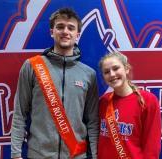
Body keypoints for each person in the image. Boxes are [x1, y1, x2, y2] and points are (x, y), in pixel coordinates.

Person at [11, 8, 99, 159]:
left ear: (77, 35)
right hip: (39, 155)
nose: (65, 31)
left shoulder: (88, 74)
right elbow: (19, 113)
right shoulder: (32, 66)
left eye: (71, 28)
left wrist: (96, 155)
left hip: (76, 155)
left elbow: (93, 121)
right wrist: (15, 154)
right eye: (60, 27)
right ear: (52, 32)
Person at [97, 52, 161, 159]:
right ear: (103, 77)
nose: (112, 74)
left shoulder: (148, 101)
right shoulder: (103, 101)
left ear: (126, 69)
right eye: (107, 72)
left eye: (116, 68)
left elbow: (152, 146)